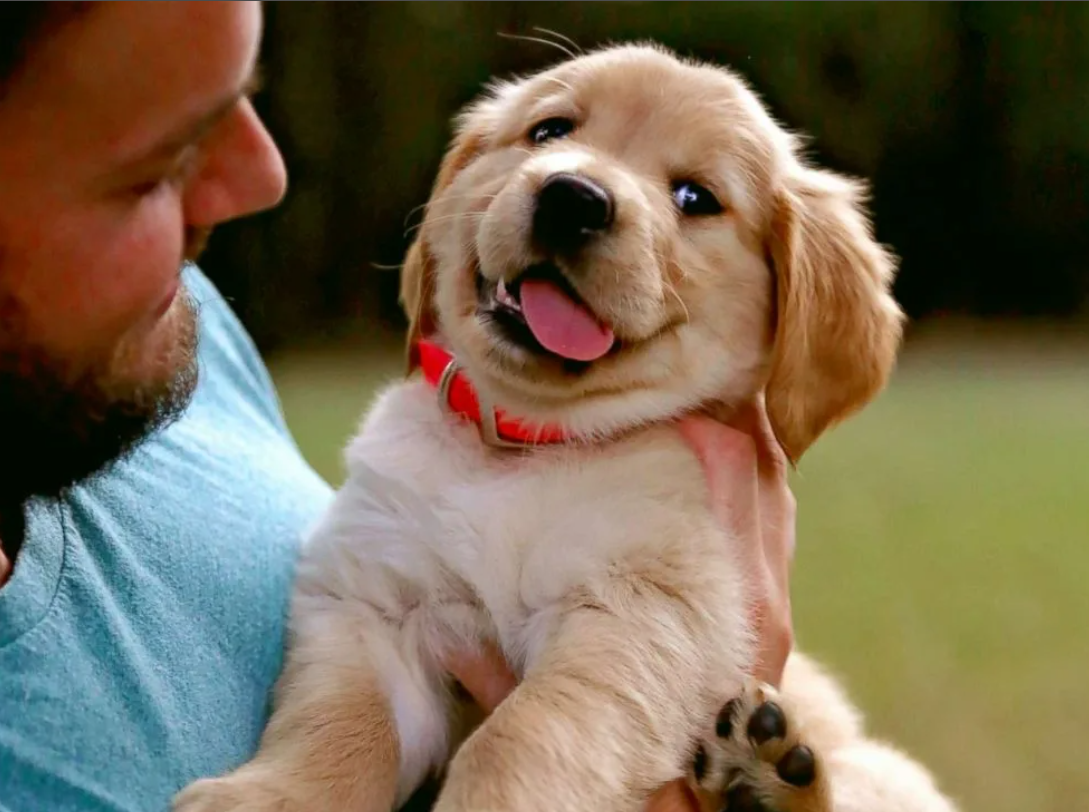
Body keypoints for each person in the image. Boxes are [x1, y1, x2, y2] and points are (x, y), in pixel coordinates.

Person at [0, 3, 796, 812]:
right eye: (551, 131)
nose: (581, 183)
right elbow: (374, 634)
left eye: (696, 195)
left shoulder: (161, 323)